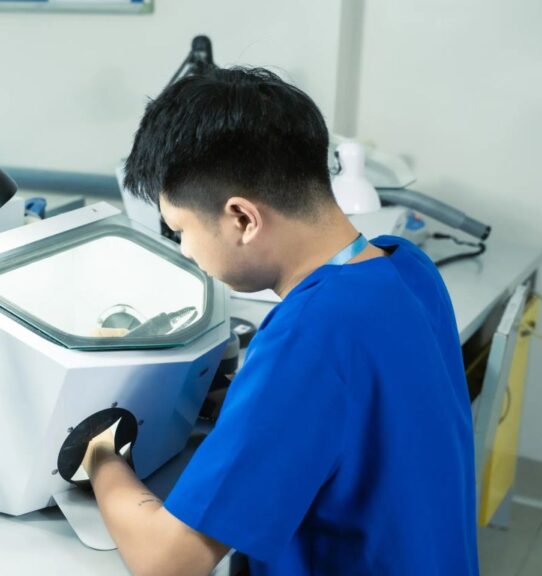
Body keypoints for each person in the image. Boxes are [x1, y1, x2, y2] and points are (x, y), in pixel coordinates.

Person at [79, 67, 480, 576]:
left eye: (180, 229)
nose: (184, 249)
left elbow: (167, 561)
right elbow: (362, 414)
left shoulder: (310, 335)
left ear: (242, 219)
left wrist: (99, 453)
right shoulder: (406, 266)